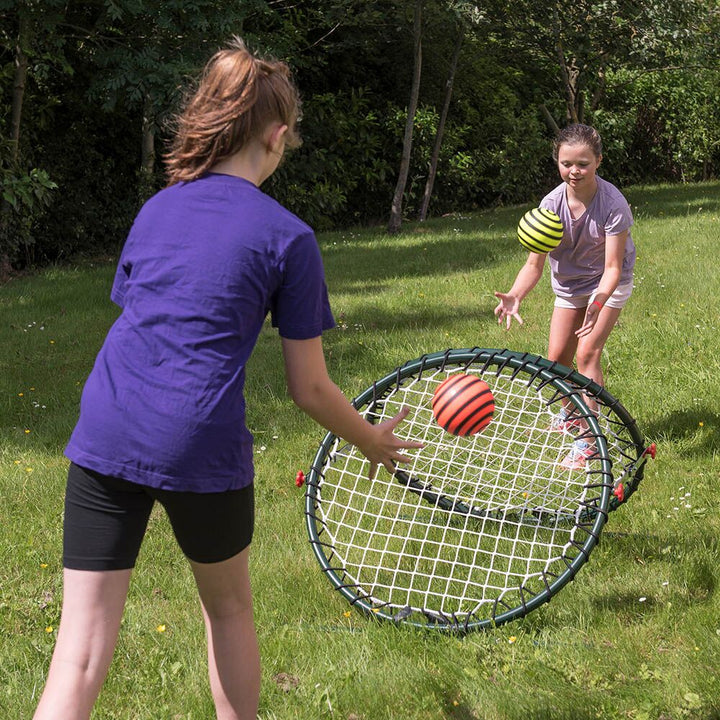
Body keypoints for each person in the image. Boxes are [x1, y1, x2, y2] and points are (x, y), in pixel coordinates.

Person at [33, 38, 422, 720]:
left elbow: (143, 317)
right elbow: (309, 388)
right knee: (229, 609)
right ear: (275, 137)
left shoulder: (158, 208)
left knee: (81, 646)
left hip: (105, 426)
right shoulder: (288, 236)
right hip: (198, 442)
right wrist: (371, 440)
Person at [493, 123, 635, 469]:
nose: (574, 171)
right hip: (571, 285)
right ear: (557, 161)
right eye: (566, 163)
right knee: (556, 360)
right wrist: (515, 294)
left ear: (598, 161)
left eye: (583, 163)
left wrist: (598, 303)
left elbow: (613, 267)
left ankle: (589, 442)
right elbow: (534, 265)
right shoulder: (550, 204)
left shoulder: (613, 203)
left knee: (587, 354)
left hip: (608, 283)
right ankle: (571, 415)